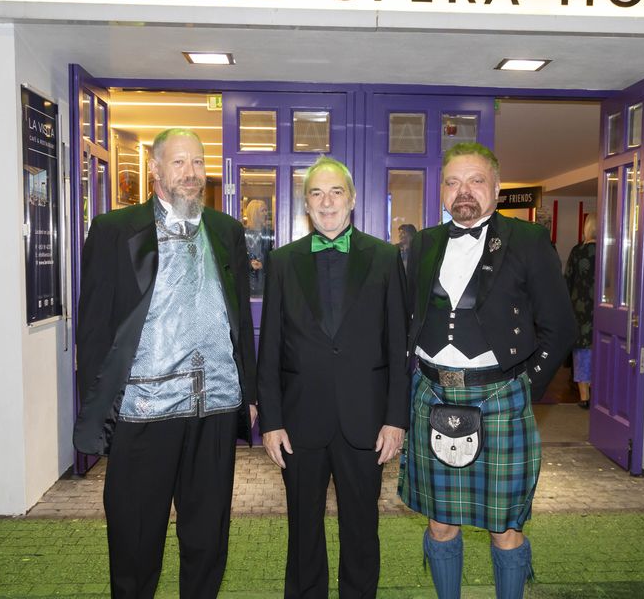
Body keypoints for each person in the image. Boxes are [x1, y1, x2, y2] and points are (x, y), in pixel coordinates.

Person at [72, 128, 257, 599]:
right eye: (179, 163)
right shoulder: (115, 231)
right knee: (135, 542)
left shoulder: (226, 230)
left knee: (207, 540)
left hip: (213, 407)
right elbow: (93, 330)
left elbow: (238, 320)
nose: (191, 173)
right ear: (155, 170)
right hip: (143, 412)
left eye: (197, 163)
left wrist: (250, 393)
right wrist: (100, 405)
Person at [398, 142, 576, 599]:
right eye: (454, 182)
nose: (464, 192)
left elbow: (559, 327)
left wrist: (522, 387)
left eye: (476, 180)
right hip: (432, 393)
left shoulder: (529, 240)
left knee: (505, 525)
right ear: (441, 191)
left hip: (500, 398)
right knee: (440, 522)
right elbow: (404, 318)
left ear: (496, 189)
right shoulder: (423, 243)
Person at [257, 156, 409, 599]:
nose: (327, 202)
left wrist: (395, 419)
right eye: (317, 193)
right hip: (299, 422)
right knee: (302, 530)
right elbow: (270, 348)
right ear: (306, 204)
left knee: (362, 530)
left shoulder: (383, 257)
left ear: (353, 200)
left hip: (366, 423)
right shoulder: (283, 261)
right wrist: (271, 420)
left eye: (336, 192)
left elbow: (398, 345)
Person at [564, 214, 597, 409]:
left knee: (582, 352)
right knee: (600, 349)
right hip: (601, 307)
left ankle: (584, 396)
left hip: (579, 308)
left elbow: (567, 280)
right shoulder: (608, 252)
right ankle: (599, 392)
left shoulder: (578, 251)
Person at [244, 198, 274, 297]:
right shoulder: (242, 234)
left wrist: (264, 264)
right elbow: (236, 257)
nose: (266, 213)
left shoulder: (271, 233)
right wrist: (249, 264)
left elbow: (276, 256)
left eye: (266, 210)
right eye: (263, 210)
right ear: (254, 213)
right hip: (247, 283)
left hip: (266, 282)